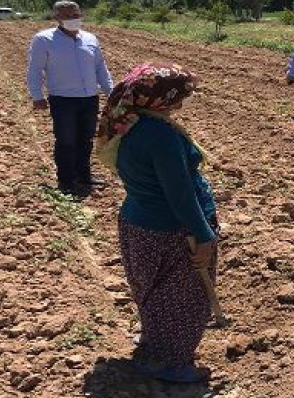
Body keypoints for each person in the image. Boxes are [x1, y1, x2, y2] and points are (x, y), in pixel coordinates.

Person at [96, 63, 219, 383]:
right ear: (161, 99)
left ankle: (154, 343)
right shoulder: (161, 135)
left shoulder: (128, 124)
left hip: (138, 222)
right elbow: (180, 195)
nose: (182, 103)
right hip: (171, 230)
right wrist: (203, 236)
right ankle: (172, 362)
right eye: (178, 97)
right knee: (183, 298)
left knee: (152, 291)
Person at [27, 0, 114, 196]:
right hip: (63, 98)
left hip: (90, 97)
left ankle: (84, 175)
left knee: (86, 139)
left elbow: (100, 67)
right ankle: (66, 181)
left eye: (76, 14)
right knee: (66, 140)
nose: (73, 19)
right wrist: (37, 95)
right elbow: (35, 69)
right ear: (56, 18)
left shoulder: (90, 38)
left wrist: (111, 91)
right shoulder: (43, 40)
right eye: (67, 16)